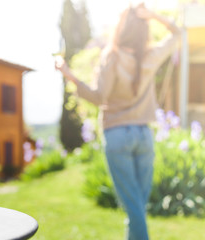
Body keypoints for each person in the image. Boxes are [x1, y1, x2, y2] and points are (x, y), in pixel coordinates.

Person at [55, 4, 180, 240]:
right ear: (144, 30)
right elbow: (178, 34)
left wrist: (68, 74)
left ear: (122, 29)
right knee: (137, 207)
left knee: (134, 208)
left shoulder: (111, 56)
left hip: (117, 136)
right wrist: (153, 15)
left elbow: (98, 97)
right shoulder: (151, 56)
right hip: (144, 136)